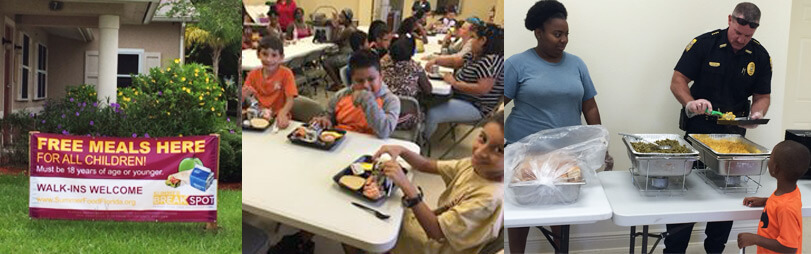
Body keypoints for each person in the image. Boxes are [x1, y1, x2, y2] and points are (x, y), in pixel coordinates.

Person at [503, 1, 613, 252]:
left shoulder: (576, 64)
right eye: (557, 34)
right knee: (521, 211)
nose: (563, 40)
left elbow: (590, 107)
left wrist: (601, 144)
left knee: (564, 209)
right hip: (524, 153)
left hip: (565, 155)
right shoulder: (517, 64)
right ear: (538, 33)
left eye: (566, 34)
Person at [666, 3, 772, 253]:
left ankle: (715, 249)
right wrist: (690, 102)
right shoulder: (704, 44)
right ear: (730, 20)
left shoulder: (759, 55)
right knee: (686, 200)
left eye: (748, 36)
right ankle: (673, 249)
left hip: (733, 142)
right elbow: (677, 81)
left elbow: (763, 95)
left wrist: (758, 112)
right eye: (738, 32)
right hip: (697, 135)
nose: (741, 39)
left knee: (724, 204)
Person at [380, 110, 504, 254]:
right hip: (437, 229)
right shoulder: (475, 166)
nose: (480, 152)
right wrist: (402, 150)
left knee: (376, 226)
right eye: (482, 138)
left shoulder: (489, 199)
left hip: (437, 245)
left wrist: (408, 188)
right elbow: (426, 165)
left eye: (499, 150)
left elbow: (436, 232)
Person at [422, 24, 504, 141]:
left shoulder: (490, 62)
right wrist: (436, 60)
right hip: (463, 98)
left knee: (432, 112)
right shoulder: (476, 54)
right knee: (426, 100)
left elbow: (483, 88)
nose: (470, 41)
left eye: (474, 37)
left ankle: (422, 143)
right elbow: (456, 61)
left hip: (477, 106)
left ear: (483, 40)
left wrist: (455, 83)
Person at [738, 140, 810, 253]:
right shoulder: (791, 191)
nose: (768, 161)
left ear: (775, 168)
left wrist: (755, 239)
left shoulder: (786, 208)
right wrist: (766, 201)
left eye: (770, 158)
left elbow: (789, 247)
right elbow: (781, 203)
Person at [310, 50, 400, 139]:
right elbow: (329, 118)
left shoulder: (390, 100)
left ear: (381, 77)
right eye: (359, 81)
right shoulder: (341, 96)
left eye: (371, 79)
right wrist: (325, 121)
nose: (366, 85)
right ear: (352, 80)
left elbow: (385, 132)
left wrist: (368, 100)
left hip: (372, 148)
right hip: (341, 145)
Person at [242, 36, 297, 129]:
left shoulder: (286, 74)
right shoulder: (252, 75)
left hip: (278, 118)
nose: (269, 59)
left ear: (281, 57)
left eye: (274, 55)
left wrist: (283, 113)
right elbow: (243, 98)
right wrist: (242, 96)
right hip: (258, 118)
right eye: (264, 54)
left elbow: (290, 99)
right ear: (258, 55)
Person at [381, 36, 432, 130]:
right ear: (412, 52)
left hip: (382, 116)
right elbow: (428, 90)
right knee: (427, 106)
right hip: (405, 120)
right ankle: (423, 137)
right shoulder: (415, 68)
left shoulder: (382, 65)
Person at [324, 8, 358, 91]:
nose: (339, 19)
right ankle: (339, 81)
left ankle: (338, 84)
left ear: (347, 19)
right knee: (331, 56)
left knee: (326, 62)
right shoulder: (352, 27)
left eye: (342, 17)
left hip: (347, 56)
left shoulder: (348, 30)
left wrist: (335, 27)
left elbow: (335, 40)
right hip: (350, 54)